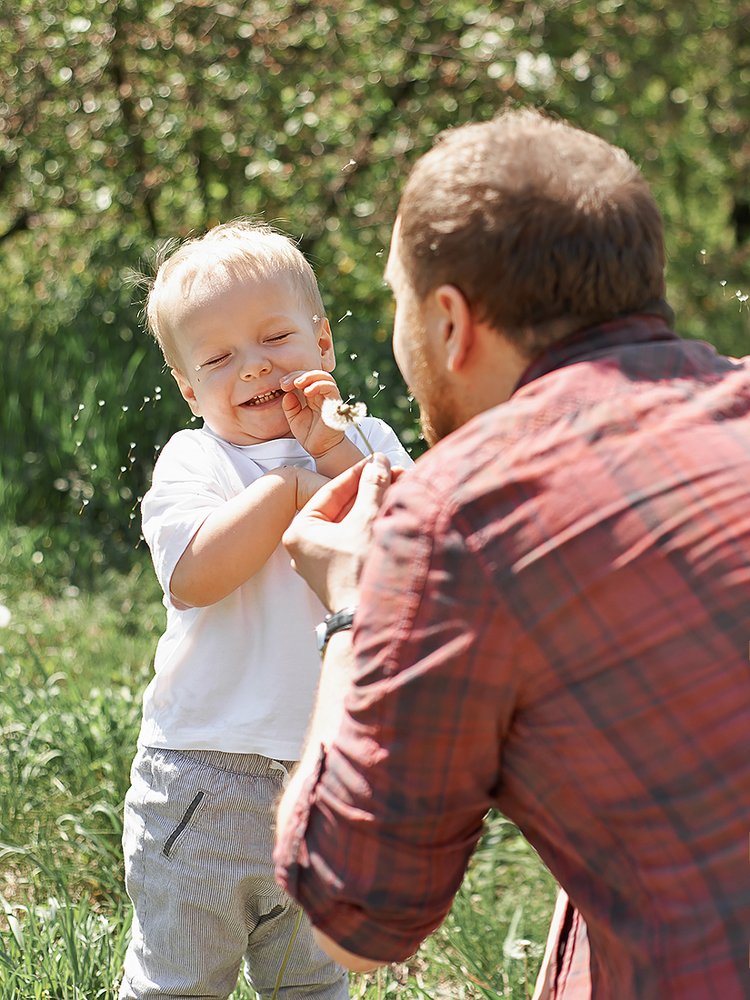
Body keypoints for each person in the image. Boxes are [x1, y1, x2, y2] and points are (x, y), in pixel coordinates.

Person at [273, 108, 750, 999]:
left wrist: (353, 611)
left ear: (449, 321)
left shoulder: (464, 516)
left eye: (399, 302)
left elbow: (356, 919)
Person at [118, 219, 413, 1000]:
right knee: (178, 984)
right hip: (203, 777)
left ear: (323, 342)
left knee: (312, 985)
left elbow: (409, 546)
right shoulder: (197, 458)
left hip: (329, 774)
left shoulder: (366, 438)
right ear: (189, 389)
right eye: (217, 358)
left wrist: (332, 452)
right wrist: (286, 489)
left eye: (276, 337)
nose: (253, 366)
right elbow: (194, 576)